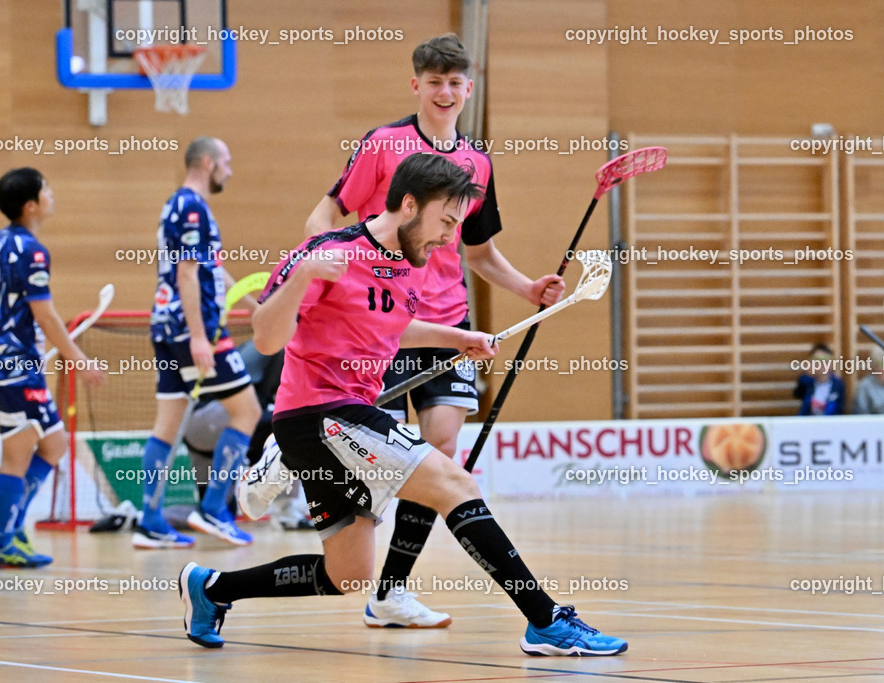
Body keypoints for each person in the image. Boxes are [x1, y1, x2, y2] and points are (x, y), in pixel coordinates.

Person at [178, 153, 627, 657]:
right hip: (321, 413)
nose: (448, 236)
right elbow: (265, 337)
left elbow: (389, 326)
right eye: (446, 221)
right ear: (409, 204)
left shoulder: (409, 265)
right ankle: (545, 620)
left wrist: (458, 337)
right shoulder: (330, 252)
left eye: (457, 225)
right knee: (454, 482)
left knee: (347, 575)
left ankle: (213, 588)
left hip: (335, 422)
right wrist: (303, 275)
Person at [296, 33, 564, 627]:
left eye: (456, 82)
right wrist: (323, 260)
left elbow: (480, 253)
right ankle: (318, 507)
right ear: (415, 84)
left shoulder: (479, 163)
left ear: (470, 88)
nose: (445, 92)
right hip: (384, 323)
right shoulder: (385, 144)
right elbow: (327, 214)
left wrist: (527, 289)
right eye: (434, 81)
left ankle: (390, 593)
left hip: (450, 323)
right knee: (384, 458)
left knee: (442, 449)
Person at [136, 137, 262, 549]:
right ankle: (213, 508)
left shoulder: (181, 205)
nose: (230, 169)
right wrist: (198, 336)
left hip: (166, 327)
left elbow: (212, 270)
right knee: (247, 412)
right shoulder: (192, 207)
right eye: (226, 161)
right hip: (194, 329)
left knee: (166, 426)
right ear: (207, 163)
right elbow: (187, 274)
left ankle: (150, 521)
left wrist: (251, 304)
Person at [0, 167, 106, 568]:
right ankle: (2, 540)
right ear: (31, 204)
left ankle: (11, 525)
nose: (53, 194)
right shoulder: (32, 250)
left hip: (9, 364)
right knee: (16, 458)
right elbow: (46, 315)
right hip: (16, 367)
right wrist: (80, 359)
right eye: (46, 189)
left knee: (53, 445)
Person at [185, 341, 313, 530]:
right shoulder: (277, 344)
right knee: (296, 424)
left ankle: (141, 519)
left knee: (215, 512)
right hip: (217, 418)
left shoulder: (260, 345)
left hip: (195, 427)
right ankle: (285, 509)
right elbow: (237, 390)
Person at [793, 343, 846, 416]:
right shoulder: (807, 382)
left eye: (825, 360)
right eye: (817, 361)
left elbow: (839, 409)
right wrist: (808, 372)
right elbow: (797, 394)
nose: (821, 364)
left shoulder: (837, 384)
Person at [851, 348, 884, 414]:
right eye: (878, 365)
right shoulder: (864, 386)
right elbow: (861, 413)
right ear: (872, 366)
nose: (881, 369)